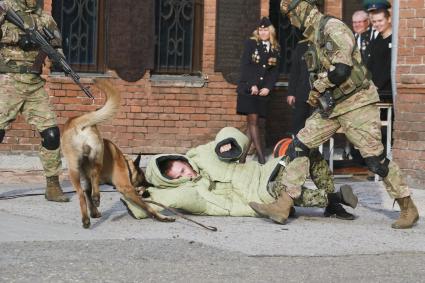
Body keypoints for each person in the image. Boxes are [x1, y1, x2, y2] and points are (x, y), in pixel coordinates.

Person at [248, 0, 419, 230]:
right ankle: (283, 204)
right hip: (332, 107)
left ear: (301, 10)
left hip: (357, 103)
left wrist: (318, 86)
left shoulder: (333, 28)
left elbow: (341, 69)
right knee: (299, 144)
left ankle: (408, 207)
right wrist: (315, 91)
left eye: (290, 15)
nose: (290, 21)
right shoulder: (313, 38)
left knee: (375, 161)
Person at [121, 127, 358, 222]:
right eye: (181, 173)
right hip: (260, 194)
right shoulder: (192, 193)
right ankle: (334, 199)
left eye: (183, 165)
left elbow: (232, 135)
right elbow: (166, 200)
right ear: (174, 181)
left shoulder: (200, 155)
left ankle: (331, 199)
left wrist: (227, 144)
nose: (188, 171)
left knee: (307, 152)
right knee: (284, 190)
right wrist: (135, 200)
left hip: (266, 170)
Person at [0, 0, 68, 202]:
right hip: (9, 81)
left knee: (52, 133)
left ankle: (53, 185)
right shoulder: (5, 7)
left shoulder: (45, 17)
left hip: (34, 84)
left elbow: (56, 44)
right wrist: (18, 38)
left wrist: (59, 59)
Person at [236, 17, 280, 164]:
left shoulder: (275, 48)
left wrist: (268, 87)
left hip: (262, 91)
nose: (262, 32)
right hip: (249, 90)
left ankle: (242, 158)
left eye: (265, 29)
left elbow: (274, 72)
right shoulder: (251, 43)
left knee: (252, 124)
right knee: (254, 121)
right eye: (260, 30)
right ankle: (261, 158)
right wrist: (251, 85)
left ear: (270, 31)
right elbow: (245, 66)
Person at [286, 40, 312, 135]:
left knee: (315, 125)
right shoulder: (302, 46)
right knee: (298, 122)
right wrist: (291, 92)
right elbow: (295, 71)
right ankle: (297, 148)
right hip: (302, 91)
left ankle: (314, 150)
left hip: (319, 92)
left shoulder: (324, 44)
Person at [367, 8, 392, 102]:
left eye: (380, 20)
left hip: (387, 92)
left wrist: (378, 85)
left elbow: (390, 67)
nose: (377, 24)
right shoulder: (377, 39)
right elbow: (370, 63)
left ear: (389, 19)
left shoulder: (394, 40)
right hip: (373, 91)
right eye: (374, 21)